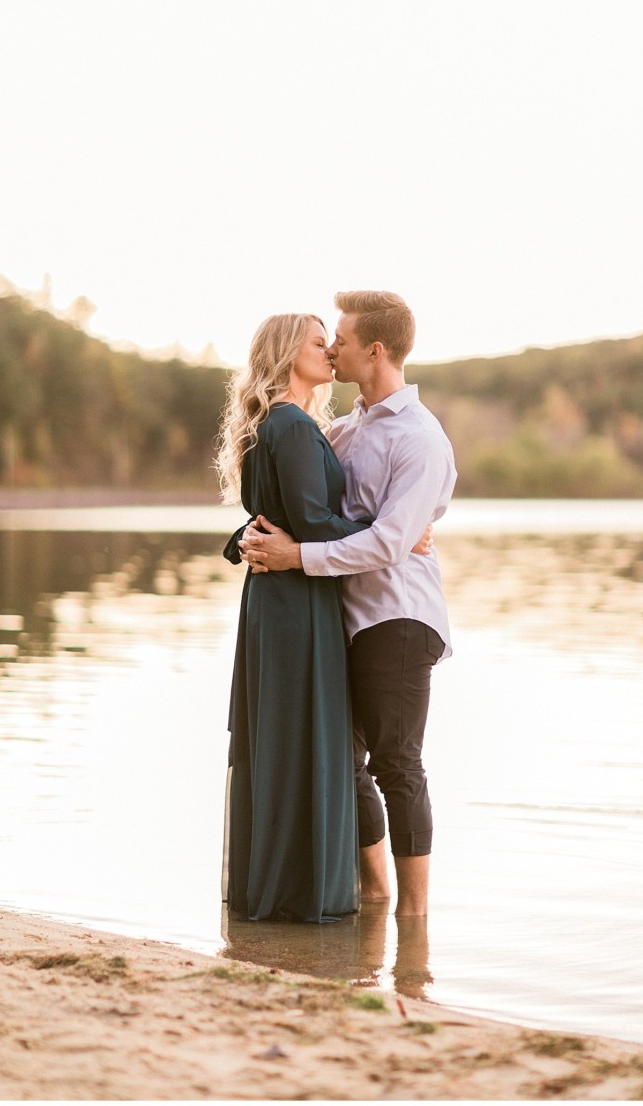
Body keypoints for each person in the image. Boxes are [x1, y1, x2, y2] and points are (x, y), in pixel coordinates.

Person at [240, 291, 457, 917]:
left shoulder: (420, 438)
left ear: (376, 350)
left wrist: (297, 557)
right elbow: (301, 507)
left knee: (397, 763)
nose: (332, 347)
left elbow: (390, 542)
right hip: (342, 620)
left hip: (398, 618)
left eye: (341, 338)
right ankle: (377, 895)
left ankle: (413, 920)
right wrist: (254, 540)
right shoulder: (340, 429)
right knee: (345, 762)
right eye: (325, 339)